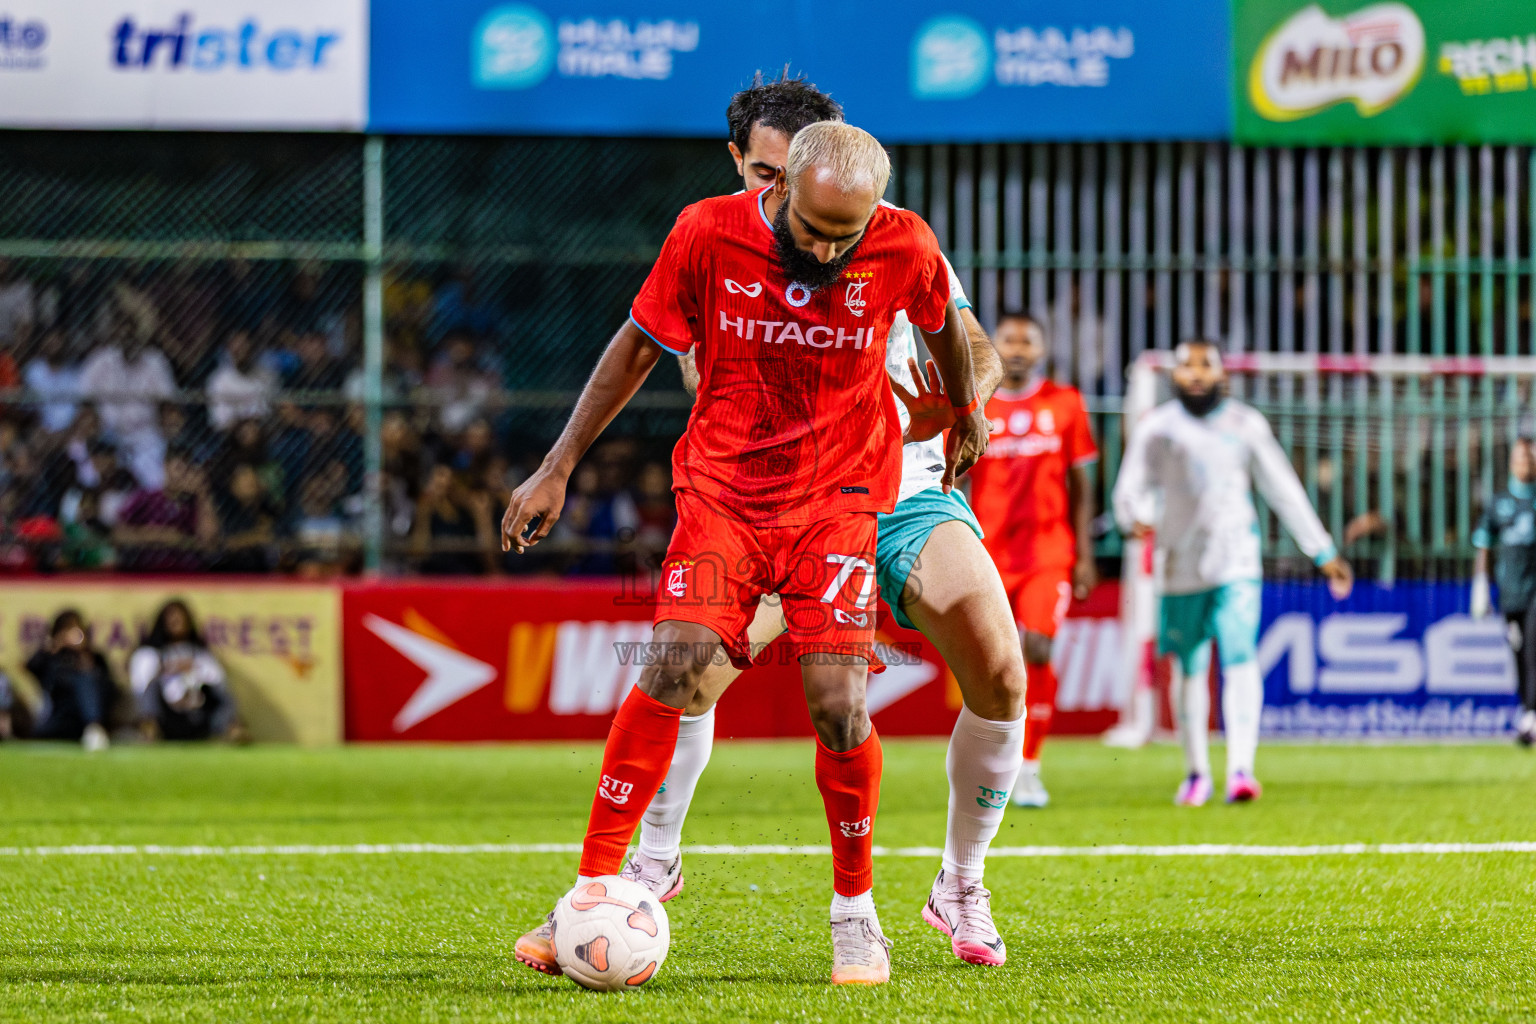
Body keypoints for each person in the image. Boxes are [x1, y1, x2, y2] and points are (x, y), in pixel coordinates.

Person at [503, 120, 986, 985]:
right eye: (813, 232)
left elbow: (946, 318)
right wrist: (556, 465)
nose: (830, 252)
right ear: (781, 188)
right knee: (673, 667)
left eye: (847, 238)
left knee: (838, 701)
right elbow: (635, 349)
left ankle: (856, 915)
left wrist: (965, 408)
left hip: (838, 501)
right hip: (723, 491)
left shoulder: (903, 241)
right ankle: (592, 887)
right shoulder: (706, 231)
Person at [628, 72, 1024, 968]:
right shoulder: (721, 241)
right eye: (761, 172)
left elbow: (977, 353)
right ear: (743, 162)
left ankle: (959, 882)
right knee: (682, 676)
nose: (777, 190)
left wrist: (956, 402)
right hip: (784, 502)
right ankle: (652, 864)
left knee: (1000, 669)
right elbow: (694, 370)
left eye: (790, 172)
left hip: (906, 492)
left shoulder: (887, 232)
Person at [1113, 339, 1353, 805]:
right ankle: (1197, 772)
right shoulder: (1157, 429)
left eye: (1207, 365)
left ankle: (1242, 768)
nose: (1197, 374)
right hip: (1178, 566)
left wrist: (1322, 550)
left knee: (1241, 655)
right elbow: (1128, 490)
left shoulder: (1246, 425)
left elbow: (1283, 489)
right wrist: (1132, 517)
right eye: (1187, 366)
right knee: (1189, 666)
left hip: (1237, 562)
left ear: (1224, 375)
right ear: (1174, 377)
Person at [965, 311, 1098, 808]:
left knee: (1038, 647)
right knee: (994, 664)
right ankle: (994, 763)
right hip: (989, 552)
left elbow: (1083, 486)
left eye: (1027, 340)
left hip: (1049, 551)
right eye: (1009, 340)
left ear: (1041, 349)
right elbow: (957, 477)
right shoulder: (977, 401)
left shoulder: (1066, 403)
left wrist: (1084, 555)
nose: (1017, 348)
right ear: (993, 345)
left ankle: (1031, 767)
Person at [1471, 422, 1536, 746]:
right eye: (1519, 457)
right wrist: (1480, 585)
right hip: (1510, 593)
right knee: (1520, 652)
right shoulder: (1499, 503)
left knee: (1534, 649)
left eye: (1529, 456)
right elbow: (1483, 544)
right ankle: (1527, 712)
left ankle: (1531, 715)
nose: (1524, 462)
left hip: (1535, 588)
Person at [129, 599, 241, 741]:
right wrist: (167, 669)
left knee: (223, 693)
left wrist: (195, 669)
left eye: (181, 618)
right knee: (151, 689)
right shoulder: (149, 653)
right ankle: (149, 730)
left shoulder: (200, 653)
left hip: (197, 710)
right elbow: (141, 687)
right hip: (166, 715)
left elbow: (218, 681)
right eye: (172, 619)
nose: (177, 622)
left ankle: (232, 729)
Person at [21, 609, 117, 750]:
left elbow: (109, 686)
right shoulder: (51, 656)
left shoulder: (94, 657)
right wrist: (55, 646)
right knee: (38, 733)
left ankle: (94, 727)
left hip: (87, 716)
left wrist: (85, 657)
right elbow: (31, 667)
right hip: (61, 715)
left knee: (84, 680)